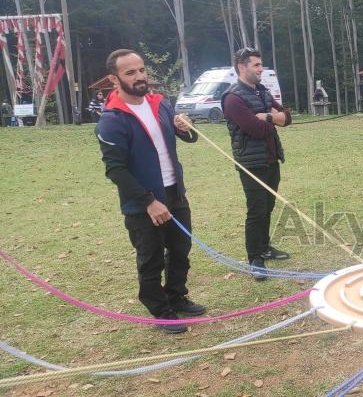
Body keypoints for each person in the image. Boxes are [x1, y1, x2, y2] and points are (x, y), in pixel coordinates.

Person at [95, 49, 205, 334]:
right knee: (151, 258)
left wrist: (184, 128)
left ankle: (176, 296)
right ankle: (159, 310)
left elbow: (189, 138)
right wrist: (148, 202)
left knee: (181, 249)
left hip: (174, 192)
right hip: (143, 203)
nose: (140, 76)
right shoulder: (112, 119)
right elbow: (115, 169)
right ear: (114, 78)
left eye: (141, 69)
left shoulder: (161, 104)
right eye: (130, 72)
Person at [222, 48, 293, 280]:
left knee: (268, 207)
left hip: (272, 160)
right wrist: (270, 119)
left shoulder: (262, 91)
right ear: (242, 68)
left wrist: (268, 116)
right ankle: (255, 258)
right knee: (256, 211)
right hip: (251, 164)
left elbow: (287, 118)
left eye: (261, 64)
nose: (261, 69)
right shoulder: (233, 98)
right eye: (256, 65)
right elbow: (256, 129)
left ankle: (265, 247)